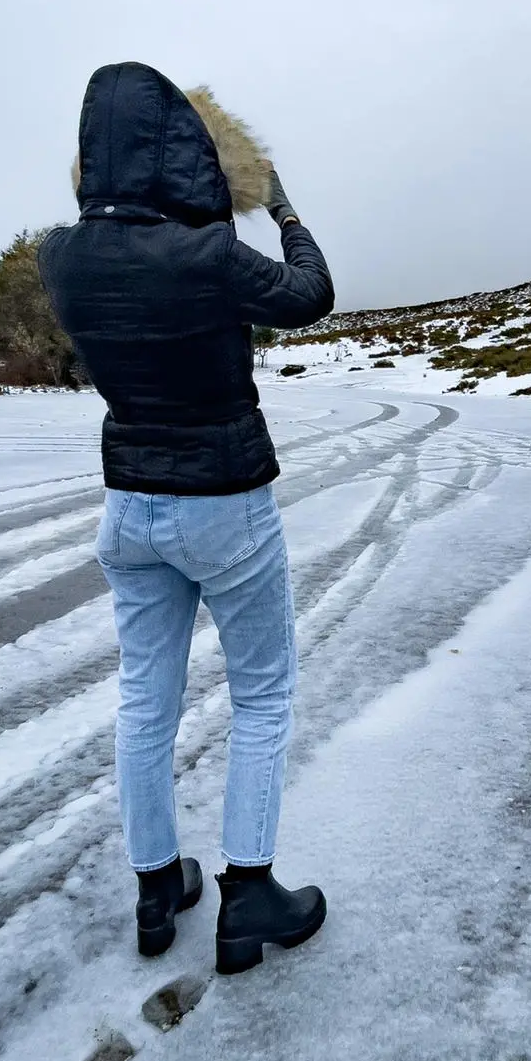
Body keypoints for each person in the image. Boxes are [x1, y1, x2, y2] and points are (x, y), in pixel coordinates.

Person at [39, 62, 335, 974]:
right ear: (182, 155)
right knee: (261, 692)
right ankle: (249, 894)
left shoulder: (59, 253)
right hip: (225, 501)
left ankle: (157, 885)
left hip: (129, 503)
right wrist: (281, 210)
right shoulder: (206, 258)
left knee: (144, 698)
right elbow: (310, 294)